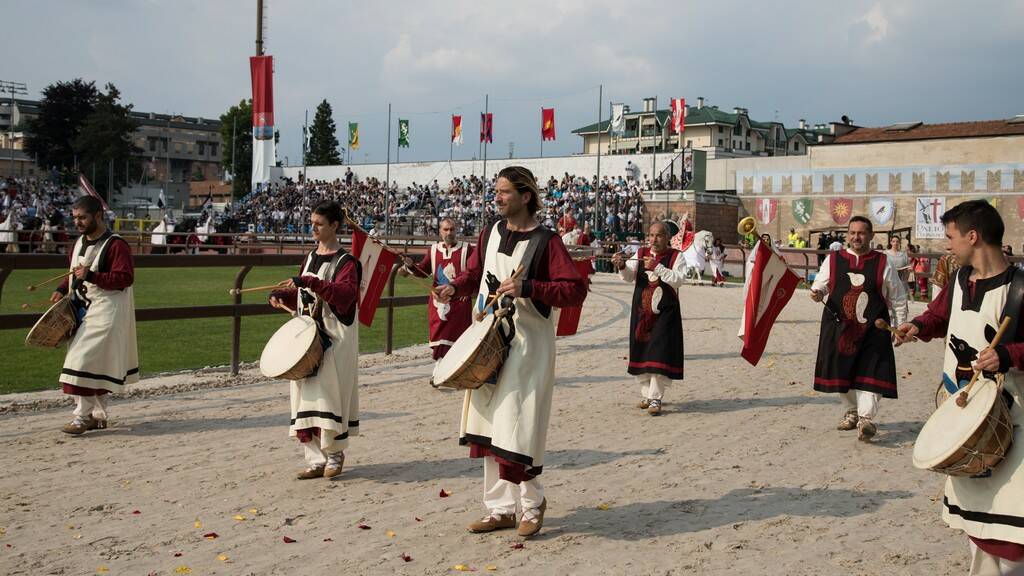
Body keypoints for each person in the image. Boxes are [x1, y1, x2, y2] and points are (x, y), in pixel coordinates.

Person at [435, 166, 586, 538]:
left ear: (526, 196)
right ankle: (500, 509)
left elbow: (574, 290)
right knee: (488, 425)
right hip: (488, 341)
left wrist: (529, 286)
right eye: (496, 191)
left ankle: (532, 506)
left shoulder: (547, 242)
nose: (497, 197)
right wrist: (456, 288)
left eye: (504, 192)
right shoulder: (491, 232)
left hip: (527, 346)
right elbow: (476, 275)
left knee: (519, 425)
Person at [894, 200, 1024, 574]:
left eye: (951, 237)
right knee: (977, 523)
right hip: (967, 416)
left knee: (1010, 527)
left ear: (973, 236)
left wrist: (1008, 354)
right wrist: (918, 327)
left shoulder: (1019, 288)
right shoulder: (957, 279)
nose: (947, 245)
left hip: (1011, 418)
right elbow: (939, 315)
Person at [269, 201, 361, 480]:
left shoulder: (347, 263)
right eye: (312, 222)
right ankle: (314, 458)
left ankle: (334, 453)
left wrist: (311, 283)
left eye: (319, 223)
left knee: (327, 398)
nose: (313, 228)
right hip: (308, 339)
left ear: (334, 226)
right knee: (303, 396)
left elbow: (345, 296)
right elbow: (302, 295)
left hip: (334, 340)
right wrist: (281, 296)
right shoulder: (310, 258)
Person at [810, 216, 908, 441]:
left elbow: (898, 296)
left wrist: (900, 325)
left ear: (871, 235)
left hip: (874, 329)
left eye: (862, 233)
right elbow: (821, 285)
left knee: (871, 371)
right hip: (839, 327)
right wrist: (817, 293)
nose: (856, 237)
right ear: (847, 235)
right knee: (841, 371)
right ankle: (852, 410)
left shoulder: (883, 263)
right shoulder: (834, 260)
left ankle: (865, 419)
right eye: (852, 232)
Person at [52, 196, 138, 435]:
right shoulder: (79, 242)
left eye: (82, 217)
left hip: (108, 310)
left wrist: (91, 276)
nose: (77, 222)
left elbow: (125, 279)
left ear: (98, 216)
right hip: (84, 309)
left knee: (80, 361)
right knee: (95, 365)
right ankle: (98, 416)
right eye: (75, 218)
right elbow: (74, 273)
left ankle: (82, 417)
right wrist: (61, 288)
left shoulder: (116, 245)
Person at [612, 221, 686, 415]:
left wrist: (657, 267)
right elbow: (629, 277)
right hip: (641, 312)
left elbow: (679, 280)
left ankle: (655, 398)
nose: (654, 240)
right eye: (652, 235)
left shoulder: (676, 256)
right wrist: (621, 266)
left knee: (659, 354)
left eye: (659, 235)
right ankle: (647, 395)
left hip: (665, 314)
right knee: (642, 352)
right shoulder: (640, 253)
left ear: (668, 237)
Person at [398, 217, 475, 365]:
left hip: (460, 302)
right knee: (440, 339)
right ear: (440, 231)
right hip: (438, 301)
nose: (449, 232)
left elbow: (474, 274)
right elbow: (423, 271)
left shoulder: (467, 249)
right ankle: (439, 369)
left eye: (452, 229)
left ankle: (453, 370)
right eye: (446, 229)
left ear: (457, 230)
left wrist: (468, 292)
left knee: (458, 339)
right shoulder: (433, 250)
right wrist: (411, 266)